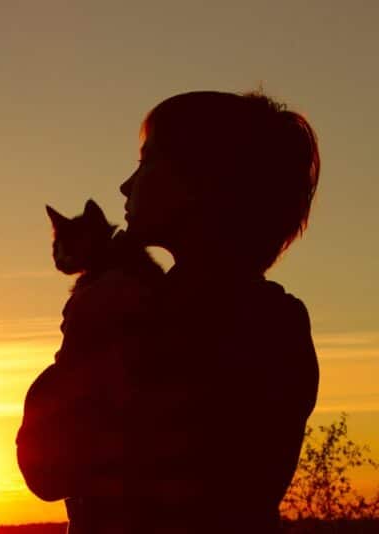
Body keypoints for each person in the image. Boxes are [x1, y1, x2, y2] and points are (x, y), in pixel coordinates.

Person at [16, 90, 320, 533]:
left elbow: (45, 468)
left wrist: (86, 336)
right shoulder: (278, 321)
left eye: (147, 162)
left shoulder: (150, 318)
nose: (126, 185)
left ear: (205, 182)